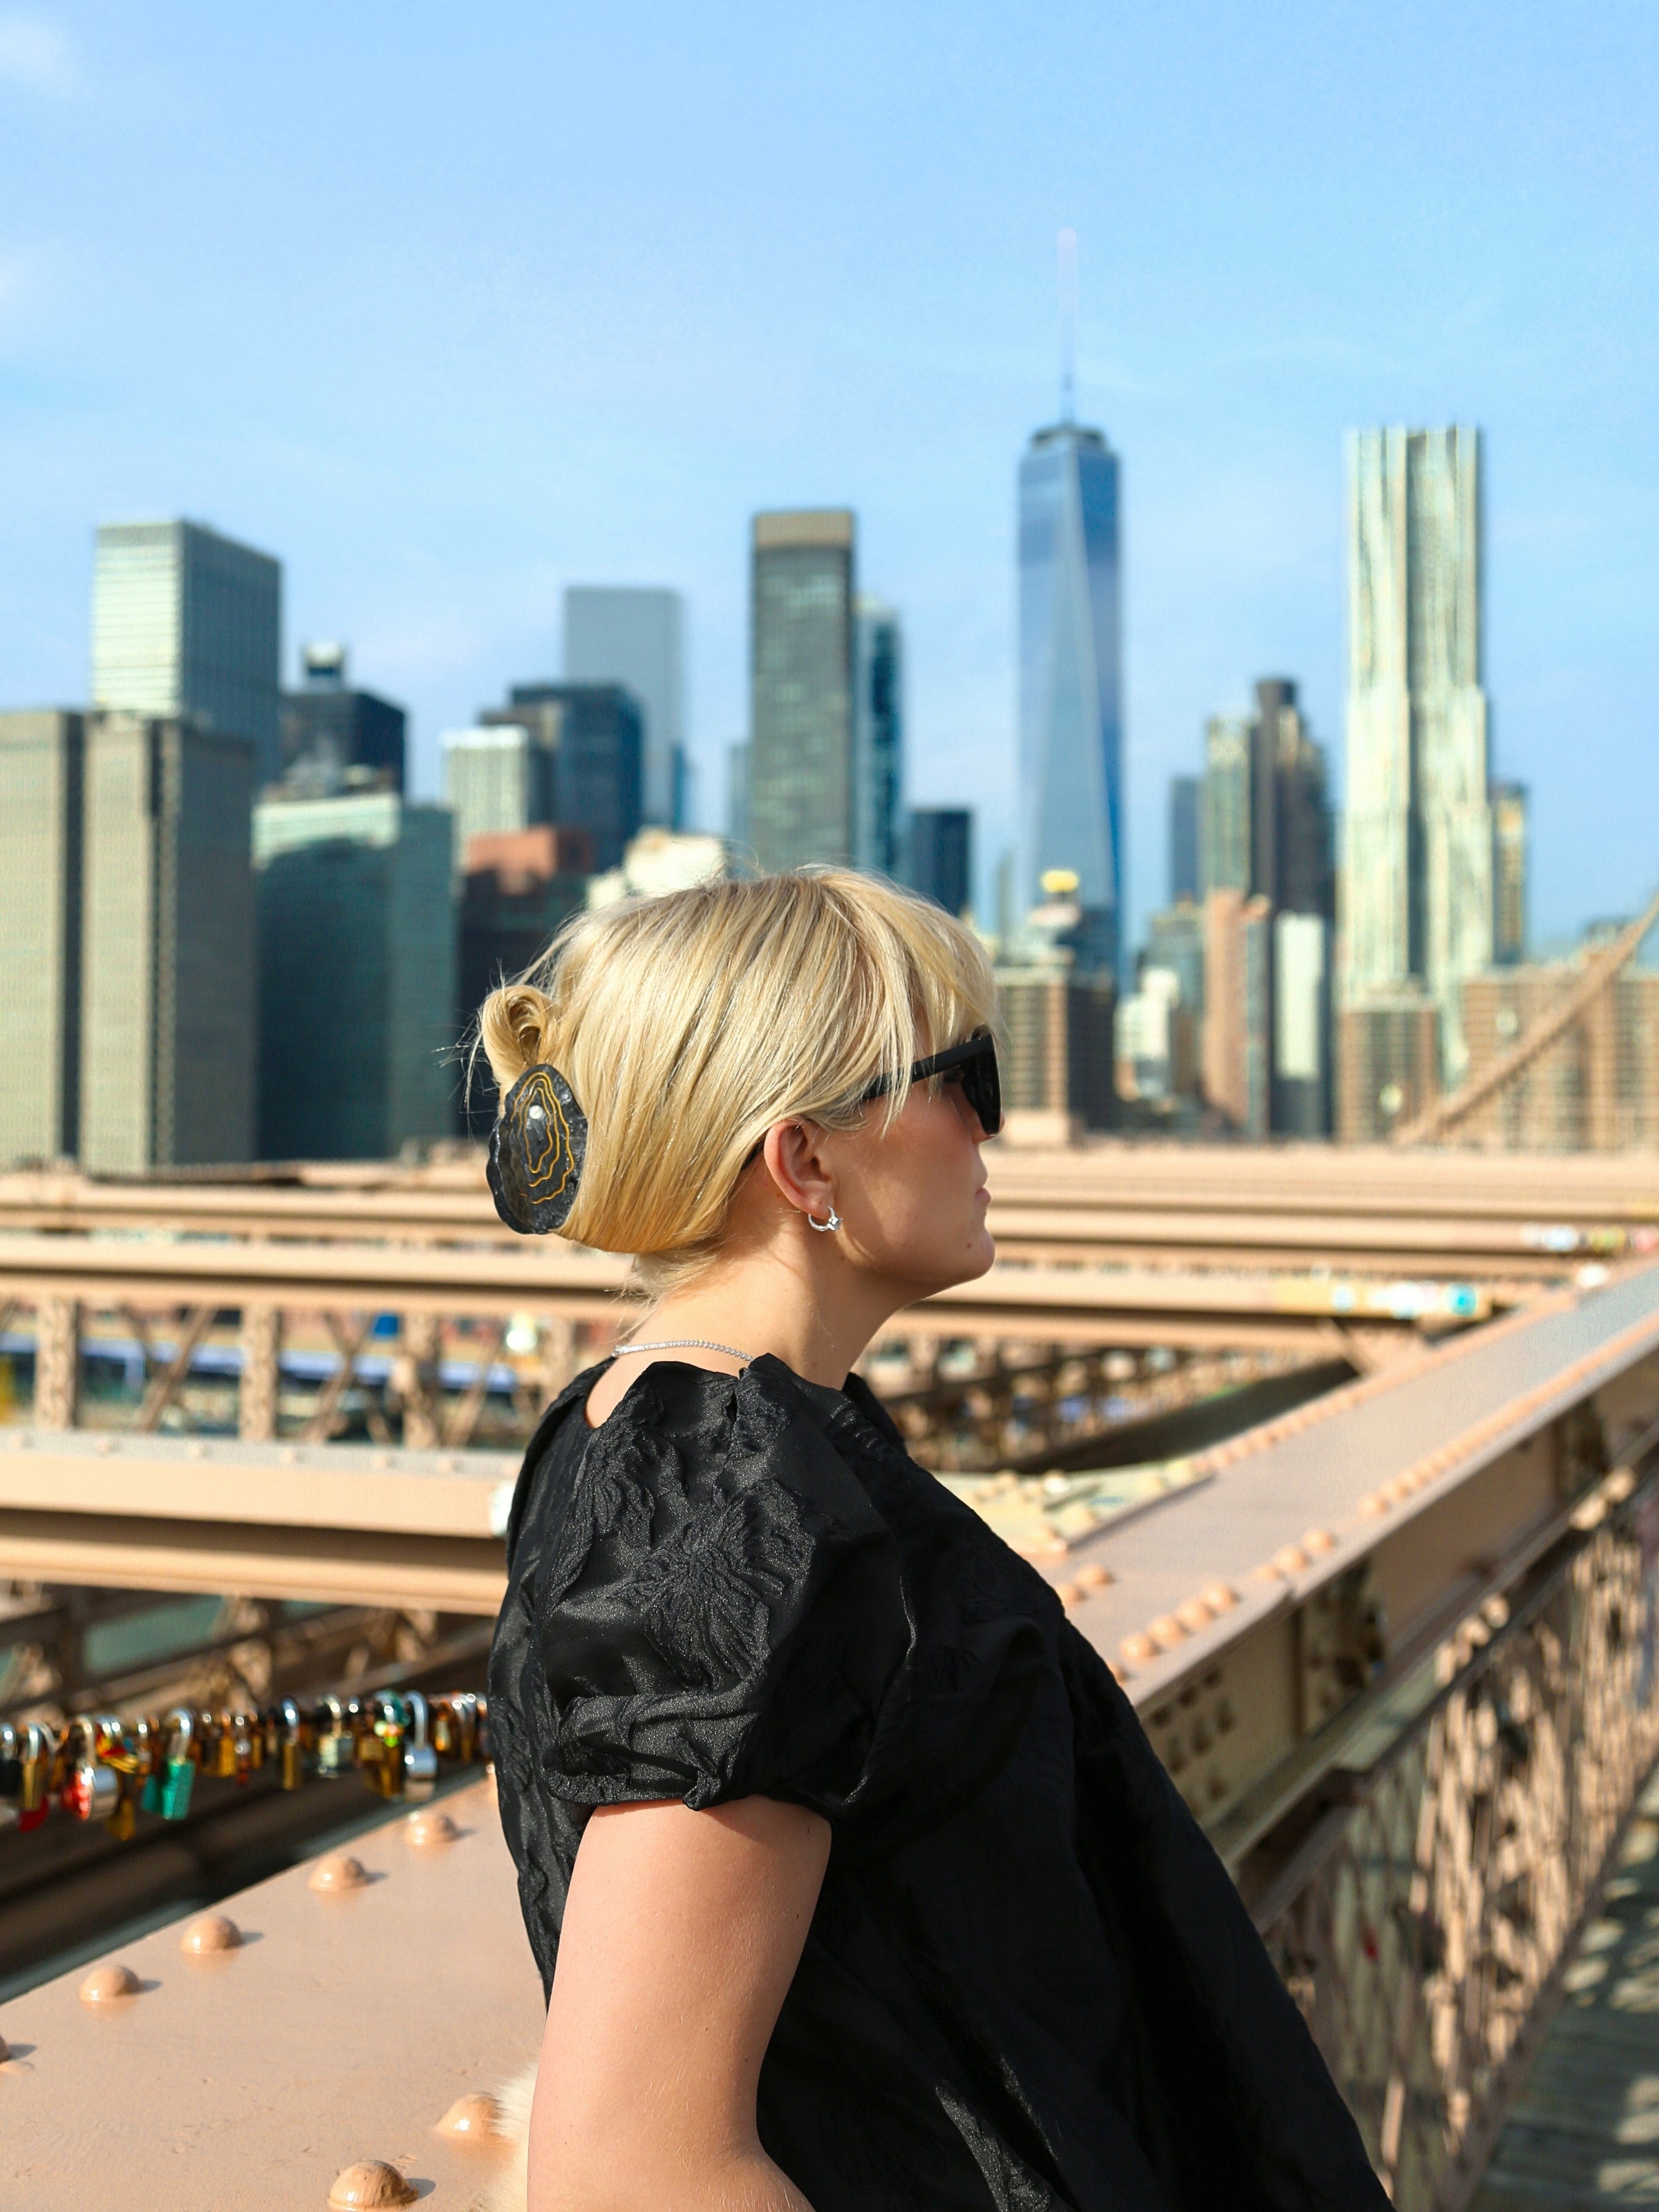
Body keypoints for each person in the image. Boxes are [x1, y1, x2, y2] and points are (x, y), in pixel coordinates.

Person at [480, 869, 1386, 2212]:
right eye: (962, 1079)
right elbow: (637, 2161)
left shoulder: (712, 1435)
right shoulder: (724, 1493)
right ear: (806, 1162)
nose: (988, 1126)